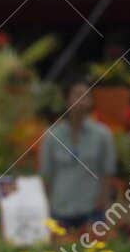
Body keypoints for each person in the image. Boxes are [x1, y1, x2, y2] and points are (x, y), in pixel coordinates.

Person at [39, 78, 116, 228]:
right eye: (76, 95)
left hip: (92, 211)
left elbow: (107, 173)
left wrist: (102, 203)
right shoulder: (52, 136)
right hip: (59, 211)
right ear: (66, 100)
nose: (81, 101)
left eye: (86, 96)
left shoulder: (103, 135)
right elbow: (46, 175)